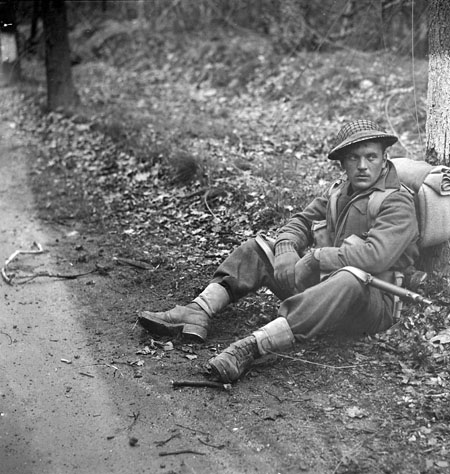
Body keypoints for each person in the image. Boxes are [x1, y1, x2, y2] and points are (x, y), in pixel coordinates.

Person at [138, 119, 420, 383]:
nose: (362, 166)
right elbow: (301, 221)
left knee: (349, 278)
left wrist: (318, 257)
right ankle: (197, 311)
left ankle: (251, 348)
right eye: (353, 158)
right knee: (258, 249)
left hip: (371, 304)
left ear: (384, 158)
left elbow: (376, 256)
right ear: (342, 164)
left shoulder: (396, 202)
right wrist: (286, 248)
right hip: (324, 288)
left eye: (370, 157)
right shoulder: (339, 191)